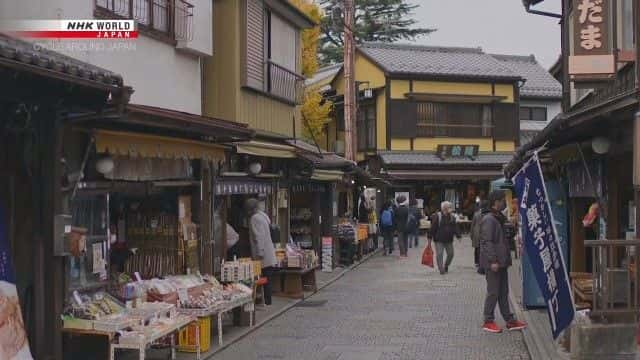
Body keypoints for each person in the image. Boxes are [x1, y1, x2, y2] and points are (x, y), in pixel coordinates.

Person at [480, 190, 527, 333]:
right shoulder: (489, 219)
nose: (504, 203)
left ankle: (510, 320)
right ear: (496, 202)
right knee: (493, 292)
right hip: (494, 262)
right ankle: (488, 320)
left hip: (502, 261)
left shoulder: (498, 217)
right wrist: (493, 260)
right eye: (502, 201)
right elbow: (486, 241)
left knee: (503, 292)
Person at [246, 198, 277, 306]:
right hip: (269, 252)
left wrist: (260, 253)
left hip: (263, 254)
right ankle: (268, 300)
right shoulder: (263, 216)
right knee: (268, 277)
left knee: (264, 278)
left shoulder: (254, 218)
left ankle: (266, 301)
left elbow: (259, 237)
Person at [430, 201, 460, 275]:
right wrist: (429, 237)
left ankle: (446, 265)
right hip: (439, 239)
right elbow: (433, 228)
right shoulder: (437, 216)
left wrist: (458, 235)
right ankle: (441, 269)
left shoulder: (452, 217)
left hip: (449, 239)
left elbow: (455, 227)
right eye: (449, 207)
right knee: (439, 254)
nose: (451, 208)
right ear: (444, 208)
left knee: (451, 254)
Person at [471, 200, 489, 274]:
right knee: (482, 248)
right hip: (484, 233)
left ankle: (477, 262)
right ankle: (481, 263)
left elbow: (473, 225)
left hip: (477, 233)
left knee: (477, 248)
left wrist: (471, 234)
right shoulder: (488, 214)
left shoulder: (476, 214)